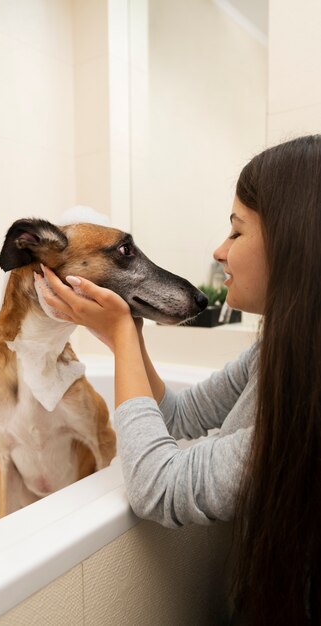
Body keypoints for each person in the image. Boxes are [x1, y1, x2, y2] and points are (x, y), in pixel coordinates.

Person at [36, 135, 321, 625]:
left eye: (236, 232)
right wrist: (127, 334)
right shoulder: (278, 351)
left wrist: (123, 339)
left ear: (295, 240)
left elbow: (159, 486)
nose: (219, 250)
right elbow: (181, 420)